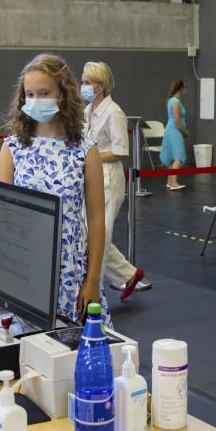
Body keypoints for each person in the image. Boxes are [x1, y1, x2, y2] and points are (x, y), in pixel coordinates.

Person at [0, 54, 109, 327]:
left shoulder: (86, 150)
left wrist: (92, 280)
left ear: (62, 94)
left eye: (44, 93)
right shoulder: (12, 149)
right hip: (24, 266)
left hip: (72, 266)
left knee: (77, 352)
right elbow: (0, 218)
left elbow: (95, 219)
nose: (36, 100)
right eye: (30, 94)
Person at [80, 61, 152, 301]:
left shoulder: (114, 112)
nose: (83, 86)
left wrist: (90, 156)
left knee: (99, 236)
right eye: (83, 82)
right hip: (90, 176)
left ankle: (94, 297)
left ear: (100, 86)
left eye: (87, 83)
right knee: (90, 234)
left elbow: (121, 151)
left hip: (109, 178)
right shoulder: (87, 111)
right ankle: (129, 275)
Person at [160, 79, 190, 190]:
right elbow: (177, 120)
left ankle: (170, 181)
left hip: (170, 130)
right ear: (181, 88)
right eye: (184, 87)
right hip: (175, 131)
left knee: (172, 157)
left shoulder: (171, 100)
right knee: (178, 156)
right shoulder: (176, 102)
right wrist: (185, 131)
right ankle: (174, 183)